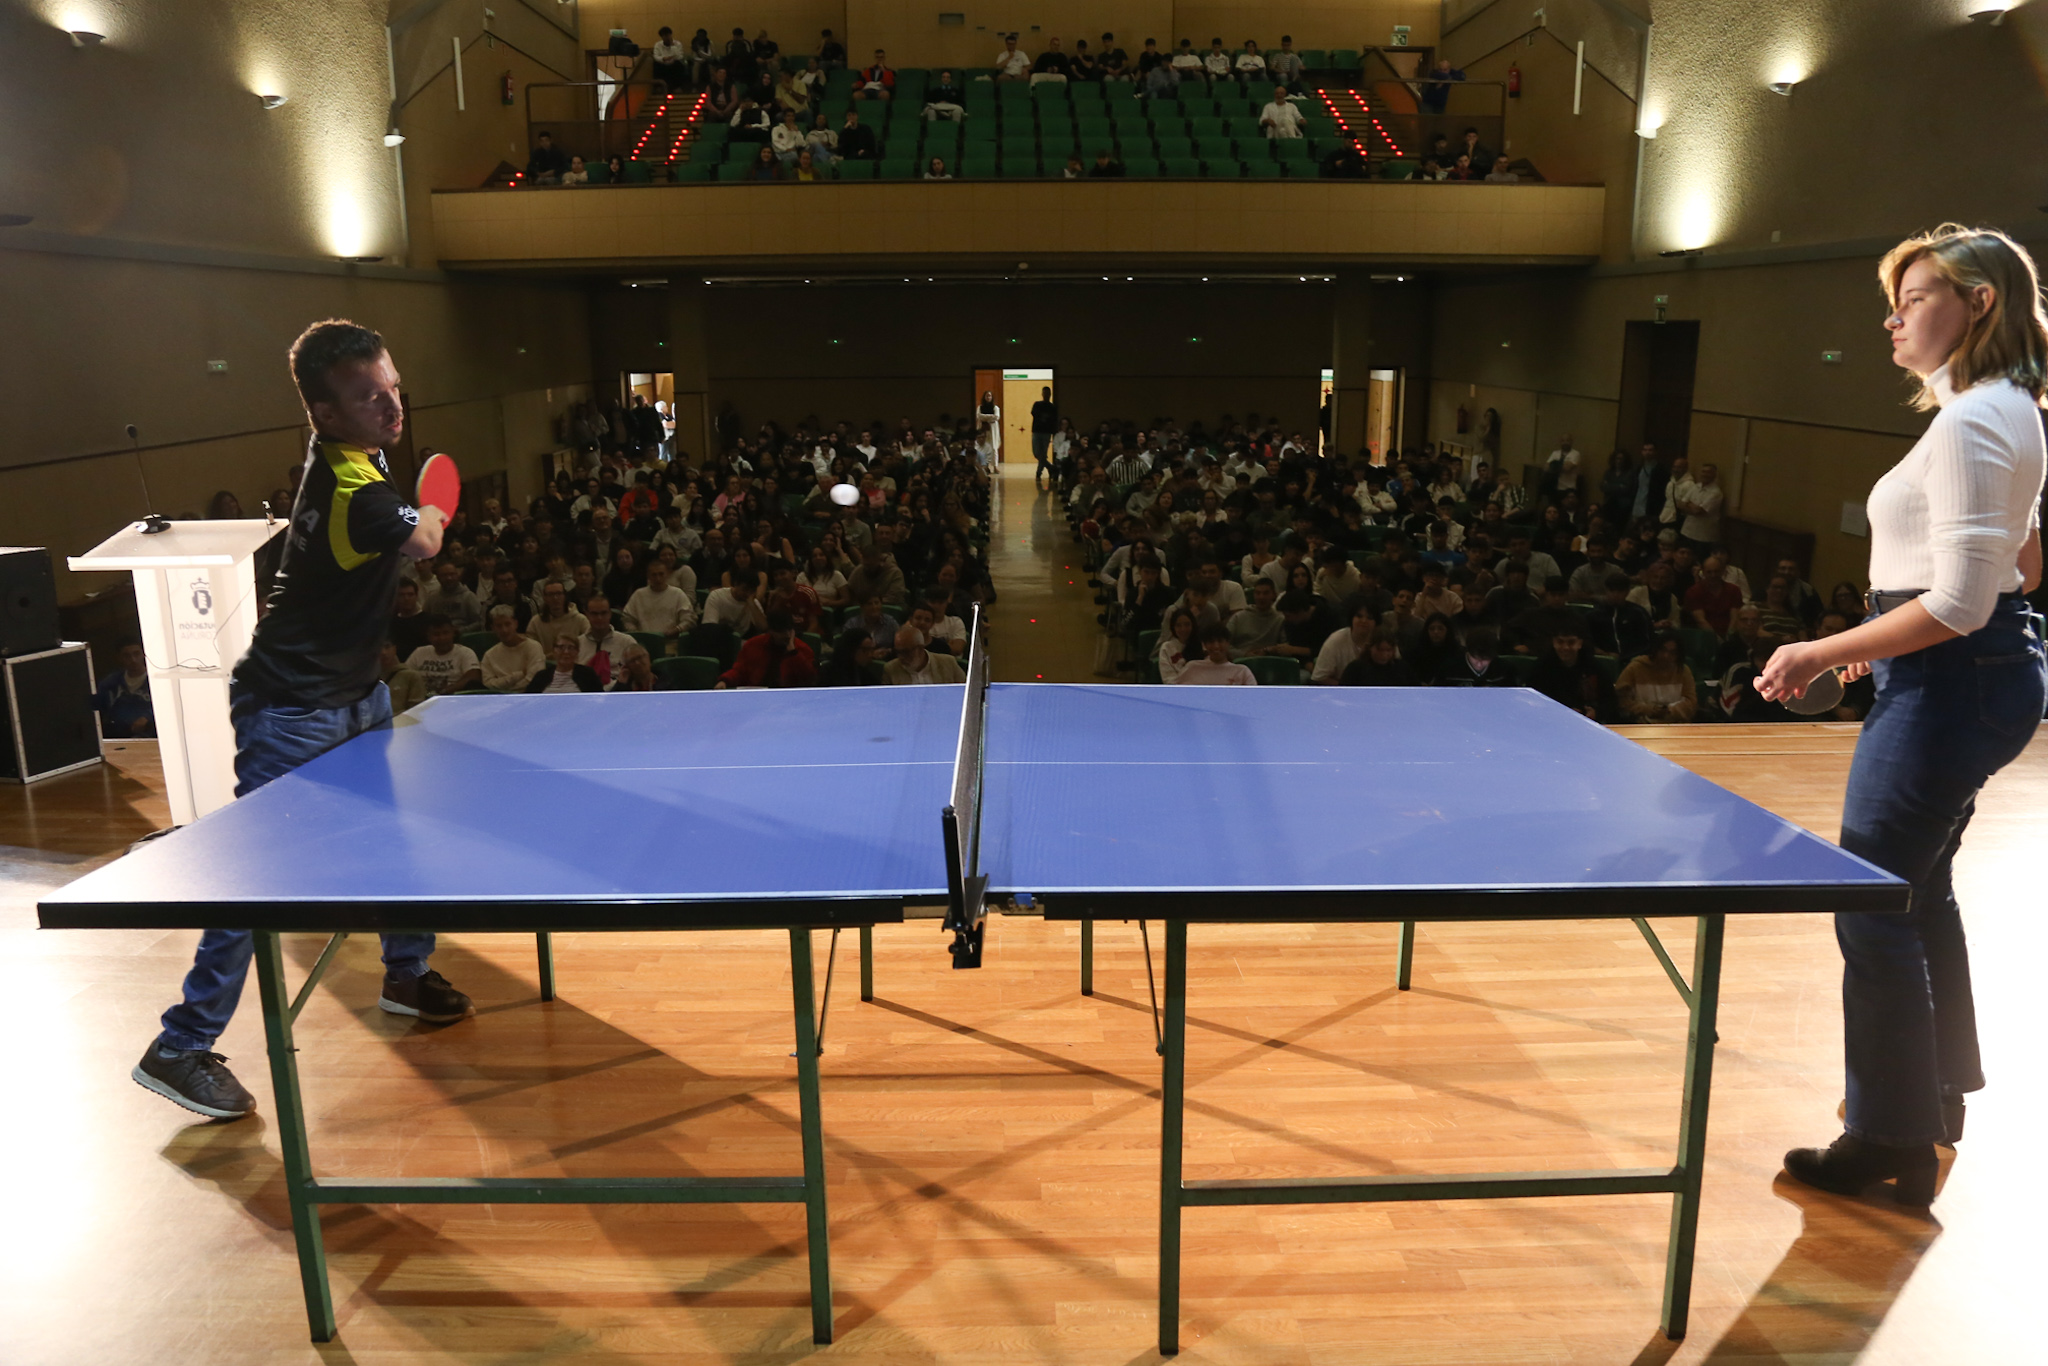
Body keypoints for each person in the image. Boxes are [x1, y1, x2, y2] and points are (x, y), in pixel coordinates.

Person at [1752, 226, 2048, 1203]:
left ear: (1979, 304)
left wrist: (1818, 649)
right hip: (1975, 669)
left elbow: (1958, 601)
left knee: (1868, 900)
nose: (1893, 317)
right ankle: (1936, 1096)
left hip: (1948, 679)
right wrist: (1893, 639)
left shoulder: (1972, 421)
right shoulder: (2003, 407)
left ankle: (1887, 1136)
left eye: (1915, 297)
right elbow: (2022, 564)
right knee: (1918, 890)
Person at [134, 320, 469, 1122]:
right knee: (258, 881)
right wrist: (436, 502)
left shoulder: (351, 452)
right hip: (291, 711)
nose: (391, 406)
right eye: (369, 397)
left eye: (393, 386)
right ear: (324, 412)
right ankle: (179, 1046)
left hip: (358, 695)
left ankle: (404, 975)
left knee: (398, 840)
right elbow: (426, 540)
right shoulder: (359, 492)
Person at [1530, 629, 1617, 721]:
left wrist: (1596, 713)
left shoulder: (1594, 668)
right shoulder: (1541, 668)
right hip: (1551, 721)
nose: (1565, 647)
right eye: (1560, 642)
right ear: (1554, 642)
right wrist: (1561, 712)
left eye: (1571, 642)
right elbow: (1533, 701)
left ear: (1580, 643)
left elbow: (1610, 701)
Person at [1615, 630, 1698, 721]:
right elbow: (1622, 700)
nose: (1666, 656)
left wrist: (1669, 711)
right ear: (1655, 649)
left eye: (1672, 653)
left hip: (1675, 724)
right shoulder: (1635, 668)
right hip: (1641, 724)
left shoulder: (1683, 671)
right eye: (1663, 650)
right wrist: (1650, 710)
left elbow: (1691, 703)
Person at [92, 638, 155, 736]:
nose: (133, 660)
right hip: (118, 736)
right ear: (120, 658)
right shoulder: (110, 683)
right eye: (127, 656)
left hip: (151, 735)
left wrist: (148, 717)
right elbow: (96, 711)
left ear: (144, 654)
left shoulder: (156, 681)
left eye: (136, 654)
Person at [406, 613, 480, 694]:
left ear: (453, 632)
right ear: (428, 636)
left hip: (453, 697)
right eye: (436, 634)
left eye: (446, 633)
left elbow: (473, 677)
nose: (442, 638)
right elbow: (404, 675)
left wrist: (445, 691)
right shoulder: (419, 652)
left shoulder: (465, 653)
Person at [480, 604, 545, 692]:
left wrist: (508, 689)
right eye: (499, 626)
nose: (504, 630)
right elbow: (488, 684)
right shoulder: (489, 655)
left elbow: (534, 680)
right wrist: (519, 675)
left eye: (508, 624)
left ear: (516, 624)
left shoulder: (533, 647)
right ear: (493, 628)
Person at [576, 594, 633, 687]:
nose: (599, 618)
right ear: (587, 615)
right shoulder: (577, 644)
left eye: (603, 613)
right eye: (594, 614)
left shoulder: (627, 642)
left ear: (610, 614)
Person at [1173, 623, 1257, 685]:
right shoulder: (1192, 667)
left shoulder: (1242, 671)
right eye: (1211, 642)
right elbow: (1173, 691)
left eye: (1220, 641)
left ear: (1227, 643)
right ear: (1204, 645)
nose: (1216, 646)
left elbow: (1254, 698)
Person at [884, 623, 966, 683]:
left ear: (920, 648)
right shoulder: (891, 669)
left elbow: (965, 690)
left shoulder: (948, 663)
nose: (901, 657)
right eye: (898, 651)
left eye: (906, 652)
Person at [525, 633, 603, 693]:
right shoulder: (541, 676)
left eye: (571, 648)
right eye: (561, 647)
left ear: (577, 652)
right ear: (553, 651)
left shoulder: (588, 674)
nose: (566, 652)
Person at [1339, 628, 1415, 686]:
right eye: (1380, 650)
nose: (1384, 655)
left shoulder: (1402, 669)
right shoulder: (1355, 669)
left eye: (1388, 650)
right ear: (1370, 647)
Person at [378, 637, 426, 714]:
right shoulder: (367, 678)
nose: (383, 652)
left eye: (387, 647)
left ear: (394, 649)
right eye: (378, 648)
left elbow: (417, 710)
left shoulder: (411, 676)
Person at [820, 627, 884, 685]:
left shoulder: (866, 675)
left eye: (871, 650)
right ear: (852, 649)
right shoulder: (827, 673)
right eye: (865, 650)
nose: (870, 655)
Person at [1029, 386, 1059, 490]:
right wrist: (1045, 416)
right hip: (1037, 431)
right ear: (1042, 394)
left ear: (1050, 394)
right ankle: (1051, 468)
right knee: (1037, 453)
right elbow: (1034, 413)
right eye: (1044, 393)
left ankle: (1039, 473)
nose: (1046, 395)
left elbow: (1053, 419)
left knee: (1043, 454)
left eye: (1048, 393)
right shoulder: (1037, 404)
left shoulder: (1052, 407)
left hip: (1046, 433)